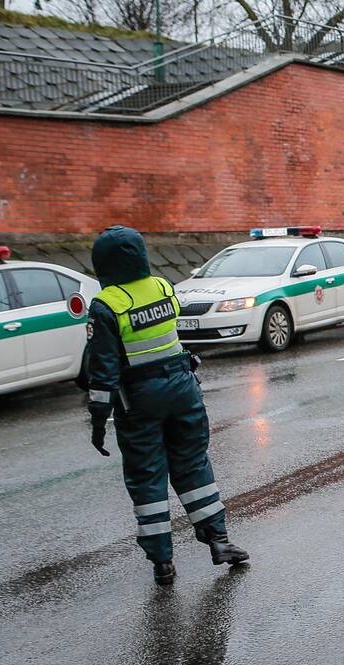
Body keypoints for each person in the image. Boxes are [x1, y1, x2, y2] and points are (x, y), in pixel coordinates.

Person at [85, 226, 249, 585]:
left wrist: (99, 421)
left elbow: (103, 372)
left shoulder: (107, 304)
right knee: (193, 466)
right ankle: (219, 542)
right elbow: (171, 314)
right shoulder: (161, 286)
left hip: (140, 399)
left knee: (148, 478)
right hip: (183, 389)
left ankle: (163, 563)